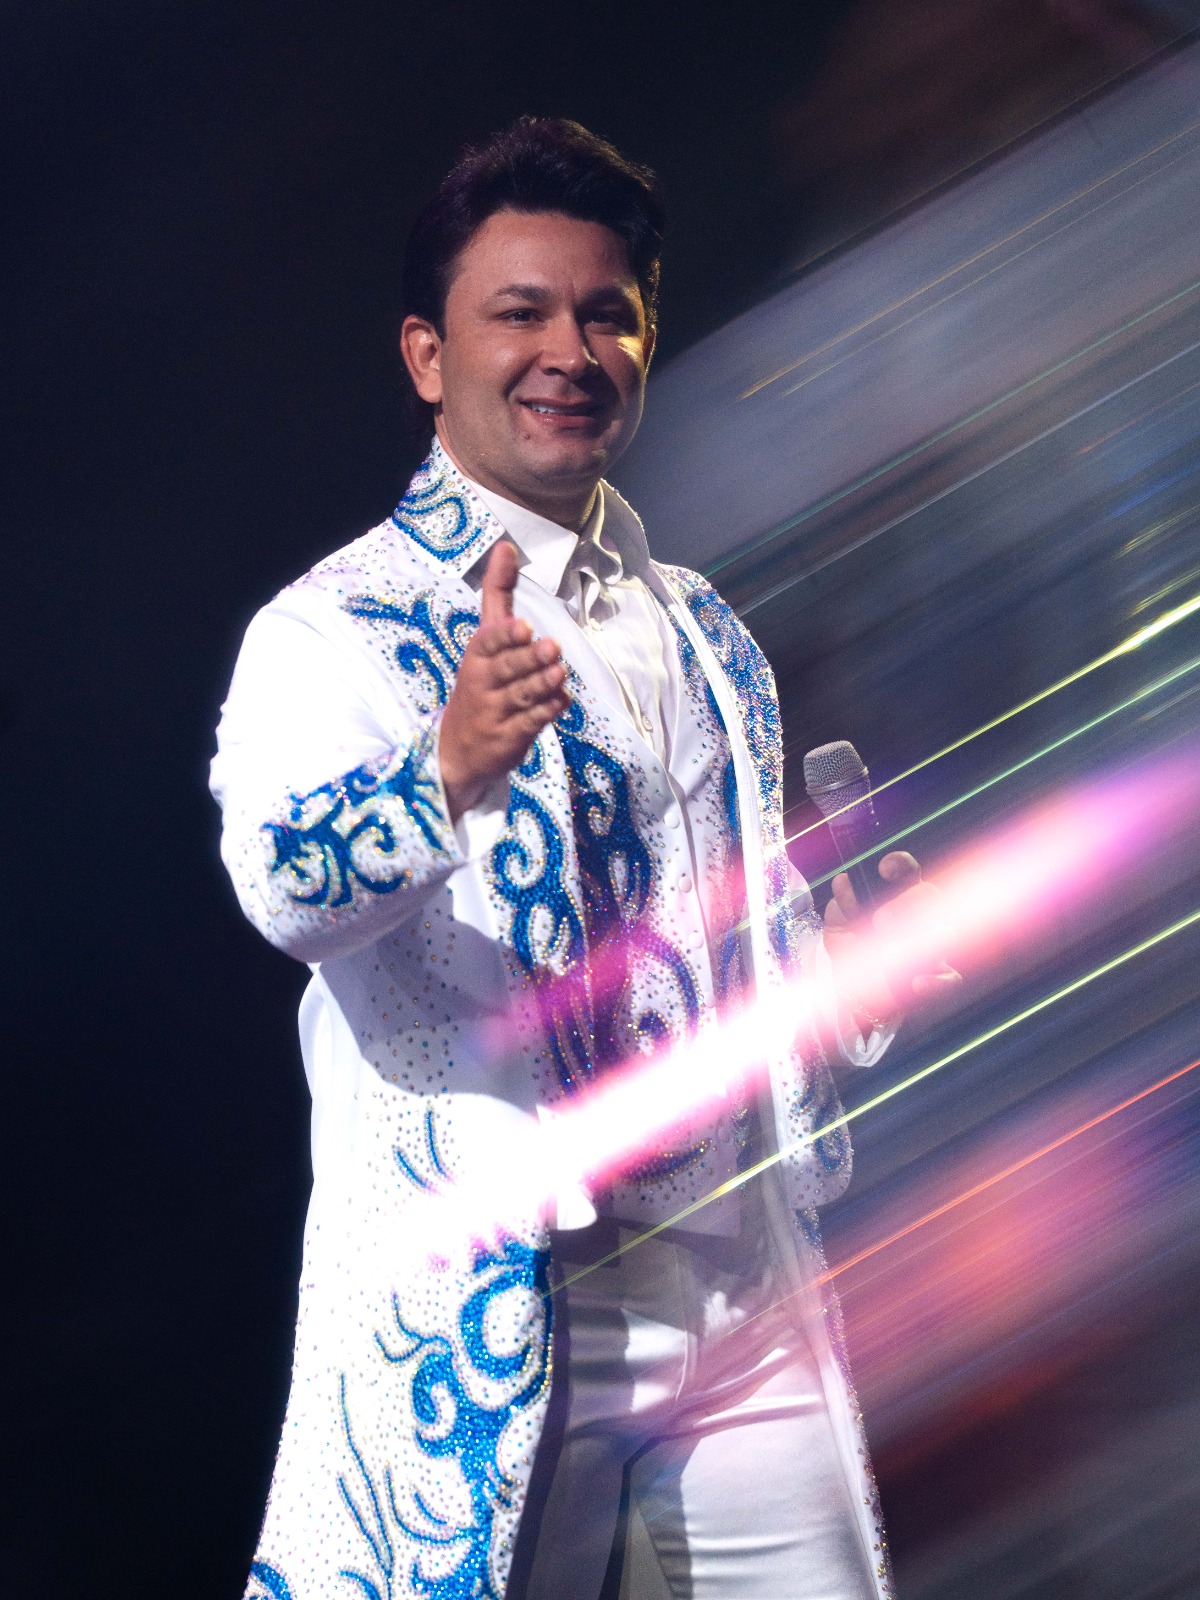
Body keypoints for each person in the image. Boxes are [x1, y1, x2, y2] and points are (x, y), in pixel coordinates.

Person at [211, 116, 958, 1600]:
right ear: (428, 357)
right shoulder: (333, 627)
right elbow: (282, 886)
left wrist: (850, 968)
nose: (570, 350)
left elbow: (725, 946)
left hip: (743, 1282)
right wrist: (446, 772)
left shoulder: (703, 625)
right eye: (522, 313)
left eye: (606, 313)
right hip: (494, 1295)